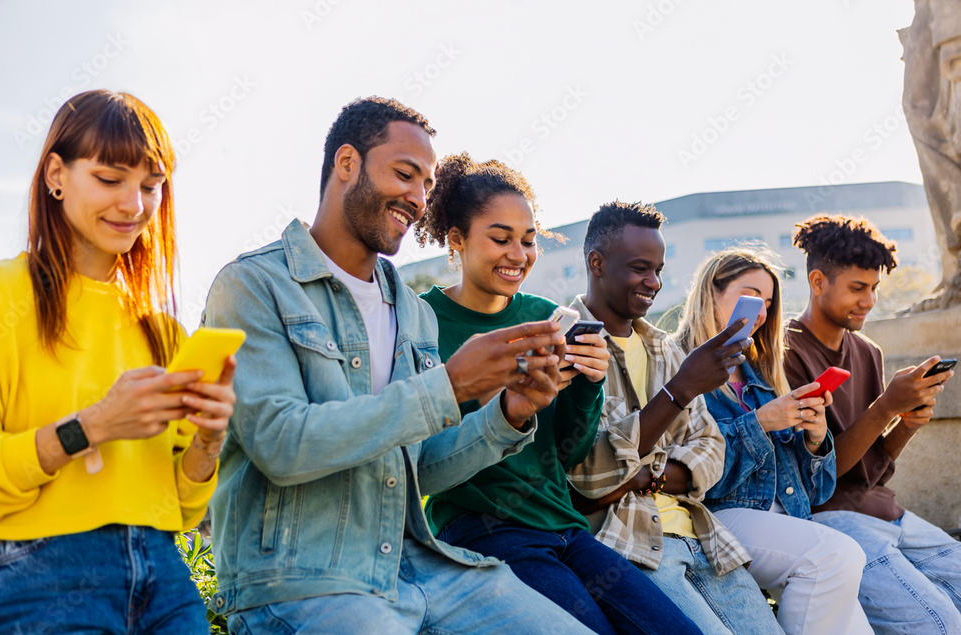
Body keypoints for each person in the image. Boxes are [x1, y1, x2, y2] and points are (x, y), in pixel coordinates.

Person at [201, 97, 600, 634]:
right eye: (405, 174)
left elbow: (424, 466)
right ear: (347, 164)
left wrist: (510, 411)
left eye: (427, 186)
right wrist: (450, 384)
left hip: (420, 568)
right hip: (304, 577)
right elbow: (282, 446)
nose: (417, 199)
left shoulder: (411, 312)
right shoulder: (252, 285)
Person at [0, 90, 235, 634]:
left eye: (151, 186)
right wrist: (91, 426)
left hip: (166, 580)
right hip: (34, 578)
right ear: (56, 174)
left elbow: (181, 508)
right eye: (111, 180)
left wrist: (208, 438)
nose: (135, 206)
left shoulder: (162, 331)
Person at [413, 153, 702, 635]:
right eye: (500, 239)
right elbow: (421, 452)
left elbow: (573, 446)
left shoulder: (547, 317)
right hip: (483, 529)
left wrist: (589, 385)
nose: (518, 254)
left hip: (563, 525)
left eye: (528, 241)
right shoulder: (421, 323)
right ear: (457, 240)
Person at [565, 201, 786, 634]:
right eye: (640, 268)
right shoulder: (572, 344)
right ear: (597, 262)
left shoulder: (667, 350)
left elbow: (712, 450)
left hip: (704, 540)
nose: (654, 283)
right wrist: (680, 389)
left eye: (659, 270)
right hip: (630, 545)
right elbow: (590, 474)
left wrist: (645, 475)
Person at [676, 247, 872, 634]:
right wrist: (758, 423)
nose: (761, 312)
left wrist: (816, 442)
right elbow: (691, 470)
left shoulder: (762, 376)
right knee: (836, 556)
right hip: (719, 514)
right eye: (751, 296)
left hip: (784, 519)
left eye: (767, 302)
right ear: (711, 294)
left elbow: (816, 493)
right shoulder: (679, 364)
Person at [784, 214, 960, 634]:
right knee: (942, 624)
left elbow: (872, 467)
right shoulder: (786, 352)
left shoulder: (867, 351)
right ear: (818, 282)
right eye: (857, 288)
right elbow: (818, 480)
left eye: (874, 289)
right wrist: (885, 407)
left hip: (887, 512)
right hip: (830, 521)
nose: (869, 301)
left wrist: (905, 423)